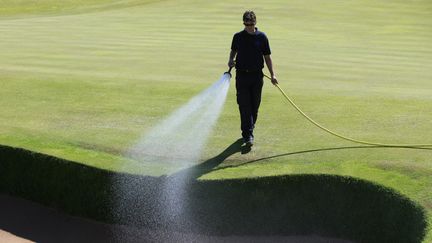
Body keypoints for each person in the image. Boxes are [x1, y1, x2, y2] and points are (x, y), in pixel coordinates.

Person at [228, 10, 278, 147]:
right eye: (246, 24)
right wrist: (230, 59)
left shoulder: (262, 37)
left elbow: (267, 57)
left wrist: (273, 74)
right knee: (244, 106)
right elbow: (233, 50)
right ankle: (248, 135)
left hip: (257, 76)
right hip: (242, 76)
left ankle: (250, 127)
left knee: (254, 106)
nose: (249, 26)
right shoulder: (238, 36)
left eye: (251, 24)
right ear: (243, 23)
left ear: (255, 22)